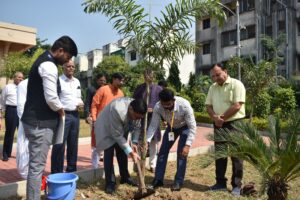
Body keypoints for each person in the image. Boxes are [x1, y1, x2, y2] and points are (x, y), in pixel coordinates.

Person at [21, 36, 78, 200]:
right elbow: (51, 98)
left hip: (35, 121)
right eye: (67, 57)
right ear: (60, 51)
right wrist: (61, 110)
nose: (67, 61)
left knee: (35, 165)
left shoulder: (43, 60)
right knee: (37, 167)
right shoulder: (49, 65)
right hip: (40, 123)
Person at [205, 63, 246, 196]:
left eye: (218, 74)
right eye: (213, 76)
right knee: (220, 154)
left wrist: (221, 118)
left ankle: (237, 185)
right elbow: (208, 106)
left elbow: (237, 105)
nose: (216, 78)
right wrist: (215, 118)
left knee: (237, 155)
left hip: (235, 123)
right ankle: (220, 183)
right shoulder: (213, 87)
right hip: (218, 124)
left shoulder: (236, 84)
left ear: (225, 71)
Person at [145, 88, 197, 191]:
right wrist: (147, 140)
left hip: (185, 127)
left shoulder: (184, 105)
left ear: (173, 100)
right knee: (162, 152)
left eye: (168, 104)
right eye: (164, 104)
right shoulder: (158, 106)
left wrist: (187, 145)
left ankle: (178, 181)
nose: (166, 107)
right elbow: (153, 125)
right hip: (171, 127)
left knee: (181, 154)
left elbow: (192, 127)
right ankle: (158, 179)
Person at [94, 97, 146, 194]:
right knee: (109, 152)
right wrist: (131, 152)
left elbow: (138, 127)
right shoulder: (118, 110)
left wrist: (134, 142)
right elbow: (117, 135)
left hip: (122, 127)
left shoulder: (138, 109)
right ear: (130, 109)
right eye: (136, 117)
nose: (137, 119)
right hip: (106, 128)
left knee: (122, 152)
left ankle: (125, 177)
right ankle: (110, 183)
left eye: (139, 117)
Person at [51, 60, 83, 173]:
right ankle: (56, 171)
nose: (71, 68)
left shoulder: (77, 81)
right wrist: (59, 110)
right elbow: (53, 97)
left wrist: (80, 103)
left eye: (73, 66)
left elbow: (79, 96)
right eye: (68, 66)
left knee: (73, 144)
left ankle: (71, 169)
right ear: (63, 68)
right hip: (63, 115)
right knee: (59, 143)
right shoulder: (58, 81)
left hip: (75, 115)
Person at [90, 72, 124, 168]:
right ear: (114, 79)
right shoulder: (103, 90)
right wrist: (95, 120)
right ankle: (94, 166)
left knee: (109, 147)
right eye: (120, 80)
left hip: (113, 125)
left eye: (123, 80)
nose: (122, 82)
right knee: (96, 145)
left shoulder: (121, 93)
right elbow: (94, 105)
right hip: (100, 123)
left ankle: (107, 167)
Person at [133, 68, 162, 173]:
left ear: (153, 76)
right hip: (141, 118)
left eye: (150, 74)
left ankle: (153, 164)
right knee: (140, 141)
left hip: (153, 119)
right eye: (146, 74)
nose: (148, 76)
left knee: (154, 142)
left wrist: (153, 109)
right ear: (144, 76)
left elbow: (162, 104)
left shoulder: (158, 89)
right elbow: (134, 101)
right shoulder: (139, 88)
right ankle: (139, 163)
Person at [84, 72, 107, 168]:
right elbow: (87, 102)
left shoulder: (106, 89)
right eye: (101, 80)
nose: (103, 82)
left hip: (105, 118)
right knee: (95, 139)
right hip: (94, 117)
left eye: (104, 81)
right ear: (97, 80)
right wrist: (87, 115)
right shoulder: (91, 89)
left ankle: (102, 156)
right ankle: (95, 163)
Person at [1, 71, 24, 161]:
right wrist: (2, 112)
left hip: (21, 111)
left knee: (22, 133)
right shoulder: (8, 87)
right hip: (11, 110)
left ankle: (22, 155)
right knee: (9, 133)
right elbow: (2, 100)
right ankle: (6, 154)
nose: (20, 79)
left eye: (22, 77)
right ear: (14, 77)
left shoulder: (24, 88)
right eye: (19, 77)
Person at [16, 78, 29, 179]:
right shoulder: (23, 84)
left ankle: (33, 173)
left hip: (40, 122)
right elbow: (20, 105)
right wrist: (25, 122)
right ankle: (25, 173)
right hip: (27, 121)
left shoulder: (42, 83)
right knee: (24, 147)